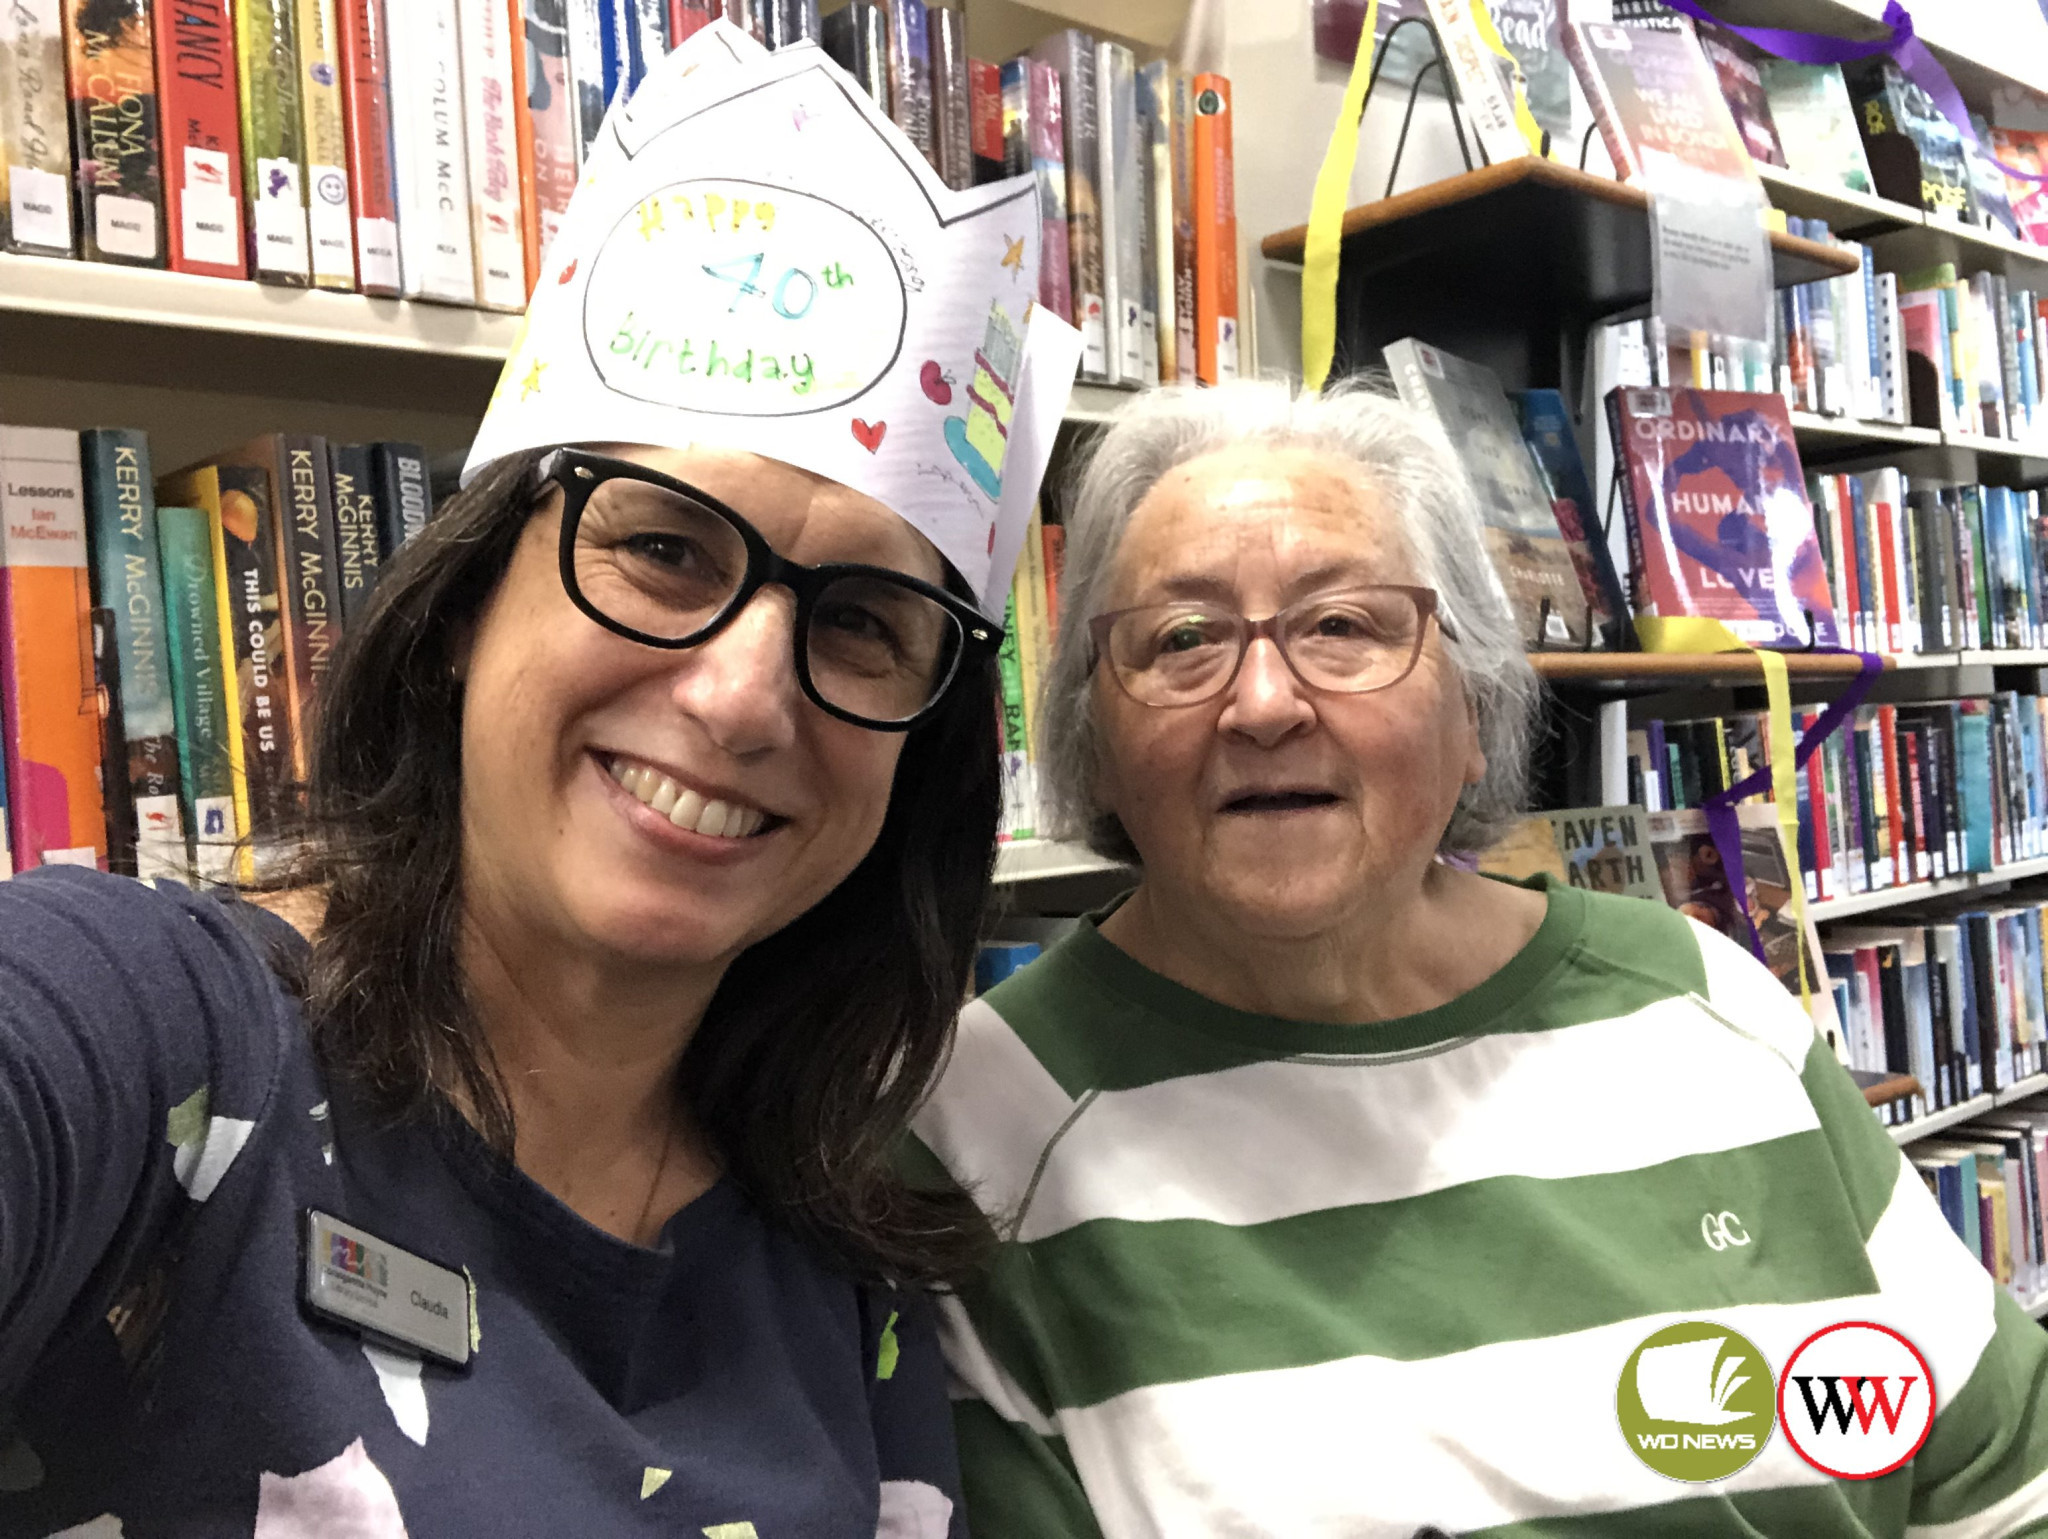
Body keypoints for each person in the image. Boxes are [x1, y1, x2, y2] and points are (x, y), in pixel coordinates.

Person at [0, 23, 1079, 1536]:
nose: (742, 691)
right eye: (662, 549)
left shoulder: (850, 1246)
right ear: (459, 608)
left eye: (860, 624)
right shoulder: (151, 1035)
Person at [912, 378, 2048, 1537]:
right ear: (1092, 742)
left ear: (1471, 713)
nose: (1261, 703)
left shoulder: (1704, 1008)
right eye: (1182, 639)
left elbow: (1997, 1482)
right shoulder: (972, 1143)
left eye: (1341, 625)